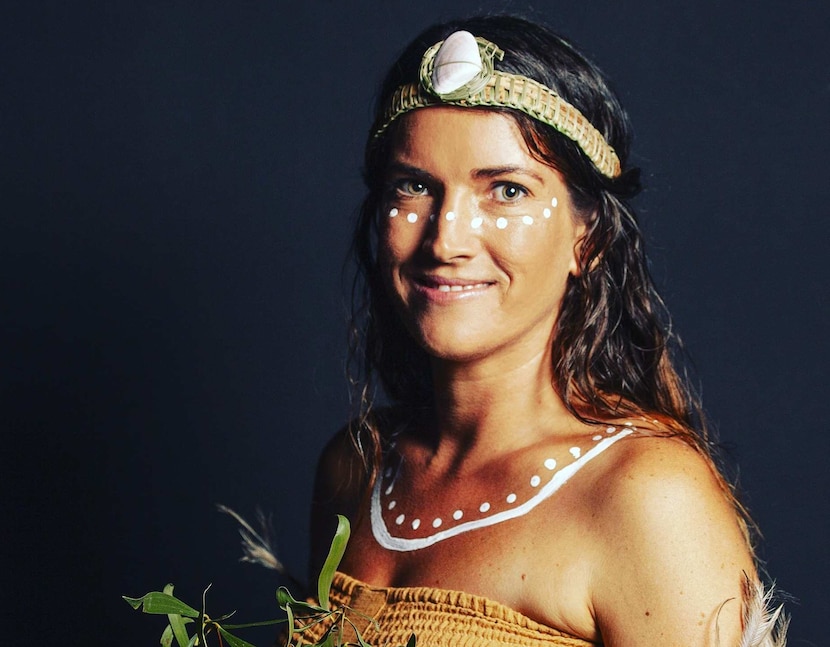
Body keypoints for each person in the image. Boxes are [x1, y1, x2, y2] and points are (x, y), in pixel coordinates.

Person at [307, 15, 787, 647]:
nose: (446, 239)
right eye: (415, 186)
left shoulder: (646, 500)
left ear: (586, 239)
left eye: (506, 190)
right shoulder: (355, 467)